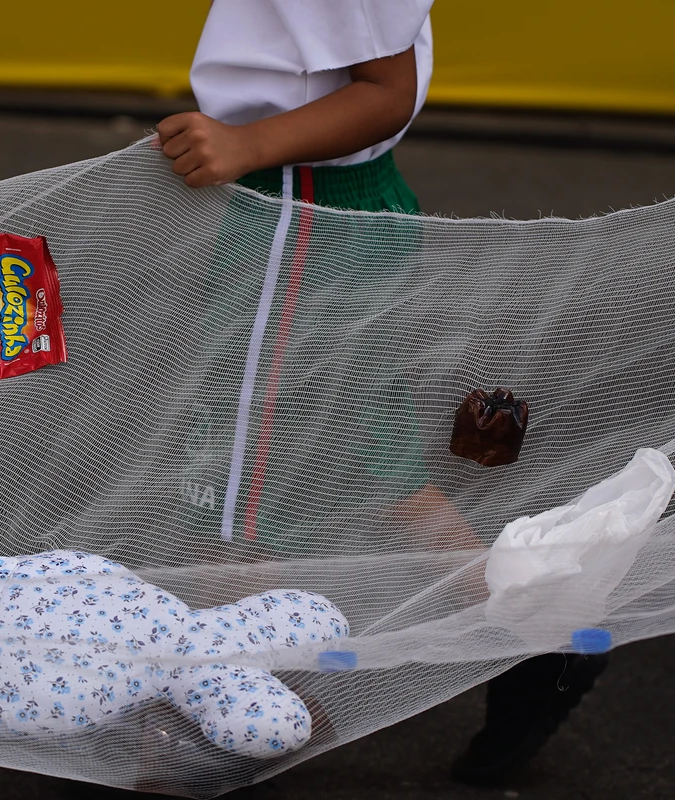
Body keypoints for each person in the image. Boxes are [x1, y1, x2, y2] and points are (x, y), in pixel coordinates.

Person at [154, 0, 608, 788]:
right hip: (324, 206)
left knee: (233, 491)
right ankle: (542, 639)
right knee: (376, 463)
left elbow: (386, 90)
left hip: (301, 213)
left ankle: (242, 718)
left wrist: (247, 141)